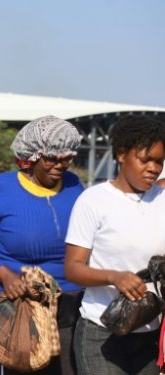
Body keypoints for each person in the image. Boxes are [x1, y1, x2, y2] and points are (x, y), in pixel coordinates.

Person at [0, 115, 85, 375]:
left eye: (67, 158)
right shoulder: (2, 188)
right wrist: (3, 274)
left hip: (70, 302)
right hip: (19, 303)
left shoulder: (75, 186)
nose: (60, 165)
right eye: (52, 158)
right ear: (32, 157)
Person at [65, 115, 165, 375]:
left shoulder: (163, 201)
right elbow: (73, 269)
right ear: (121, 154)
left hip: (150, 334)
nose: (153, 168)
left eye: (159, 161)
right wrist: (114, 277)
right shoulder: (93, 201)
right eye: (145, 160)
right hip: (101, 334)